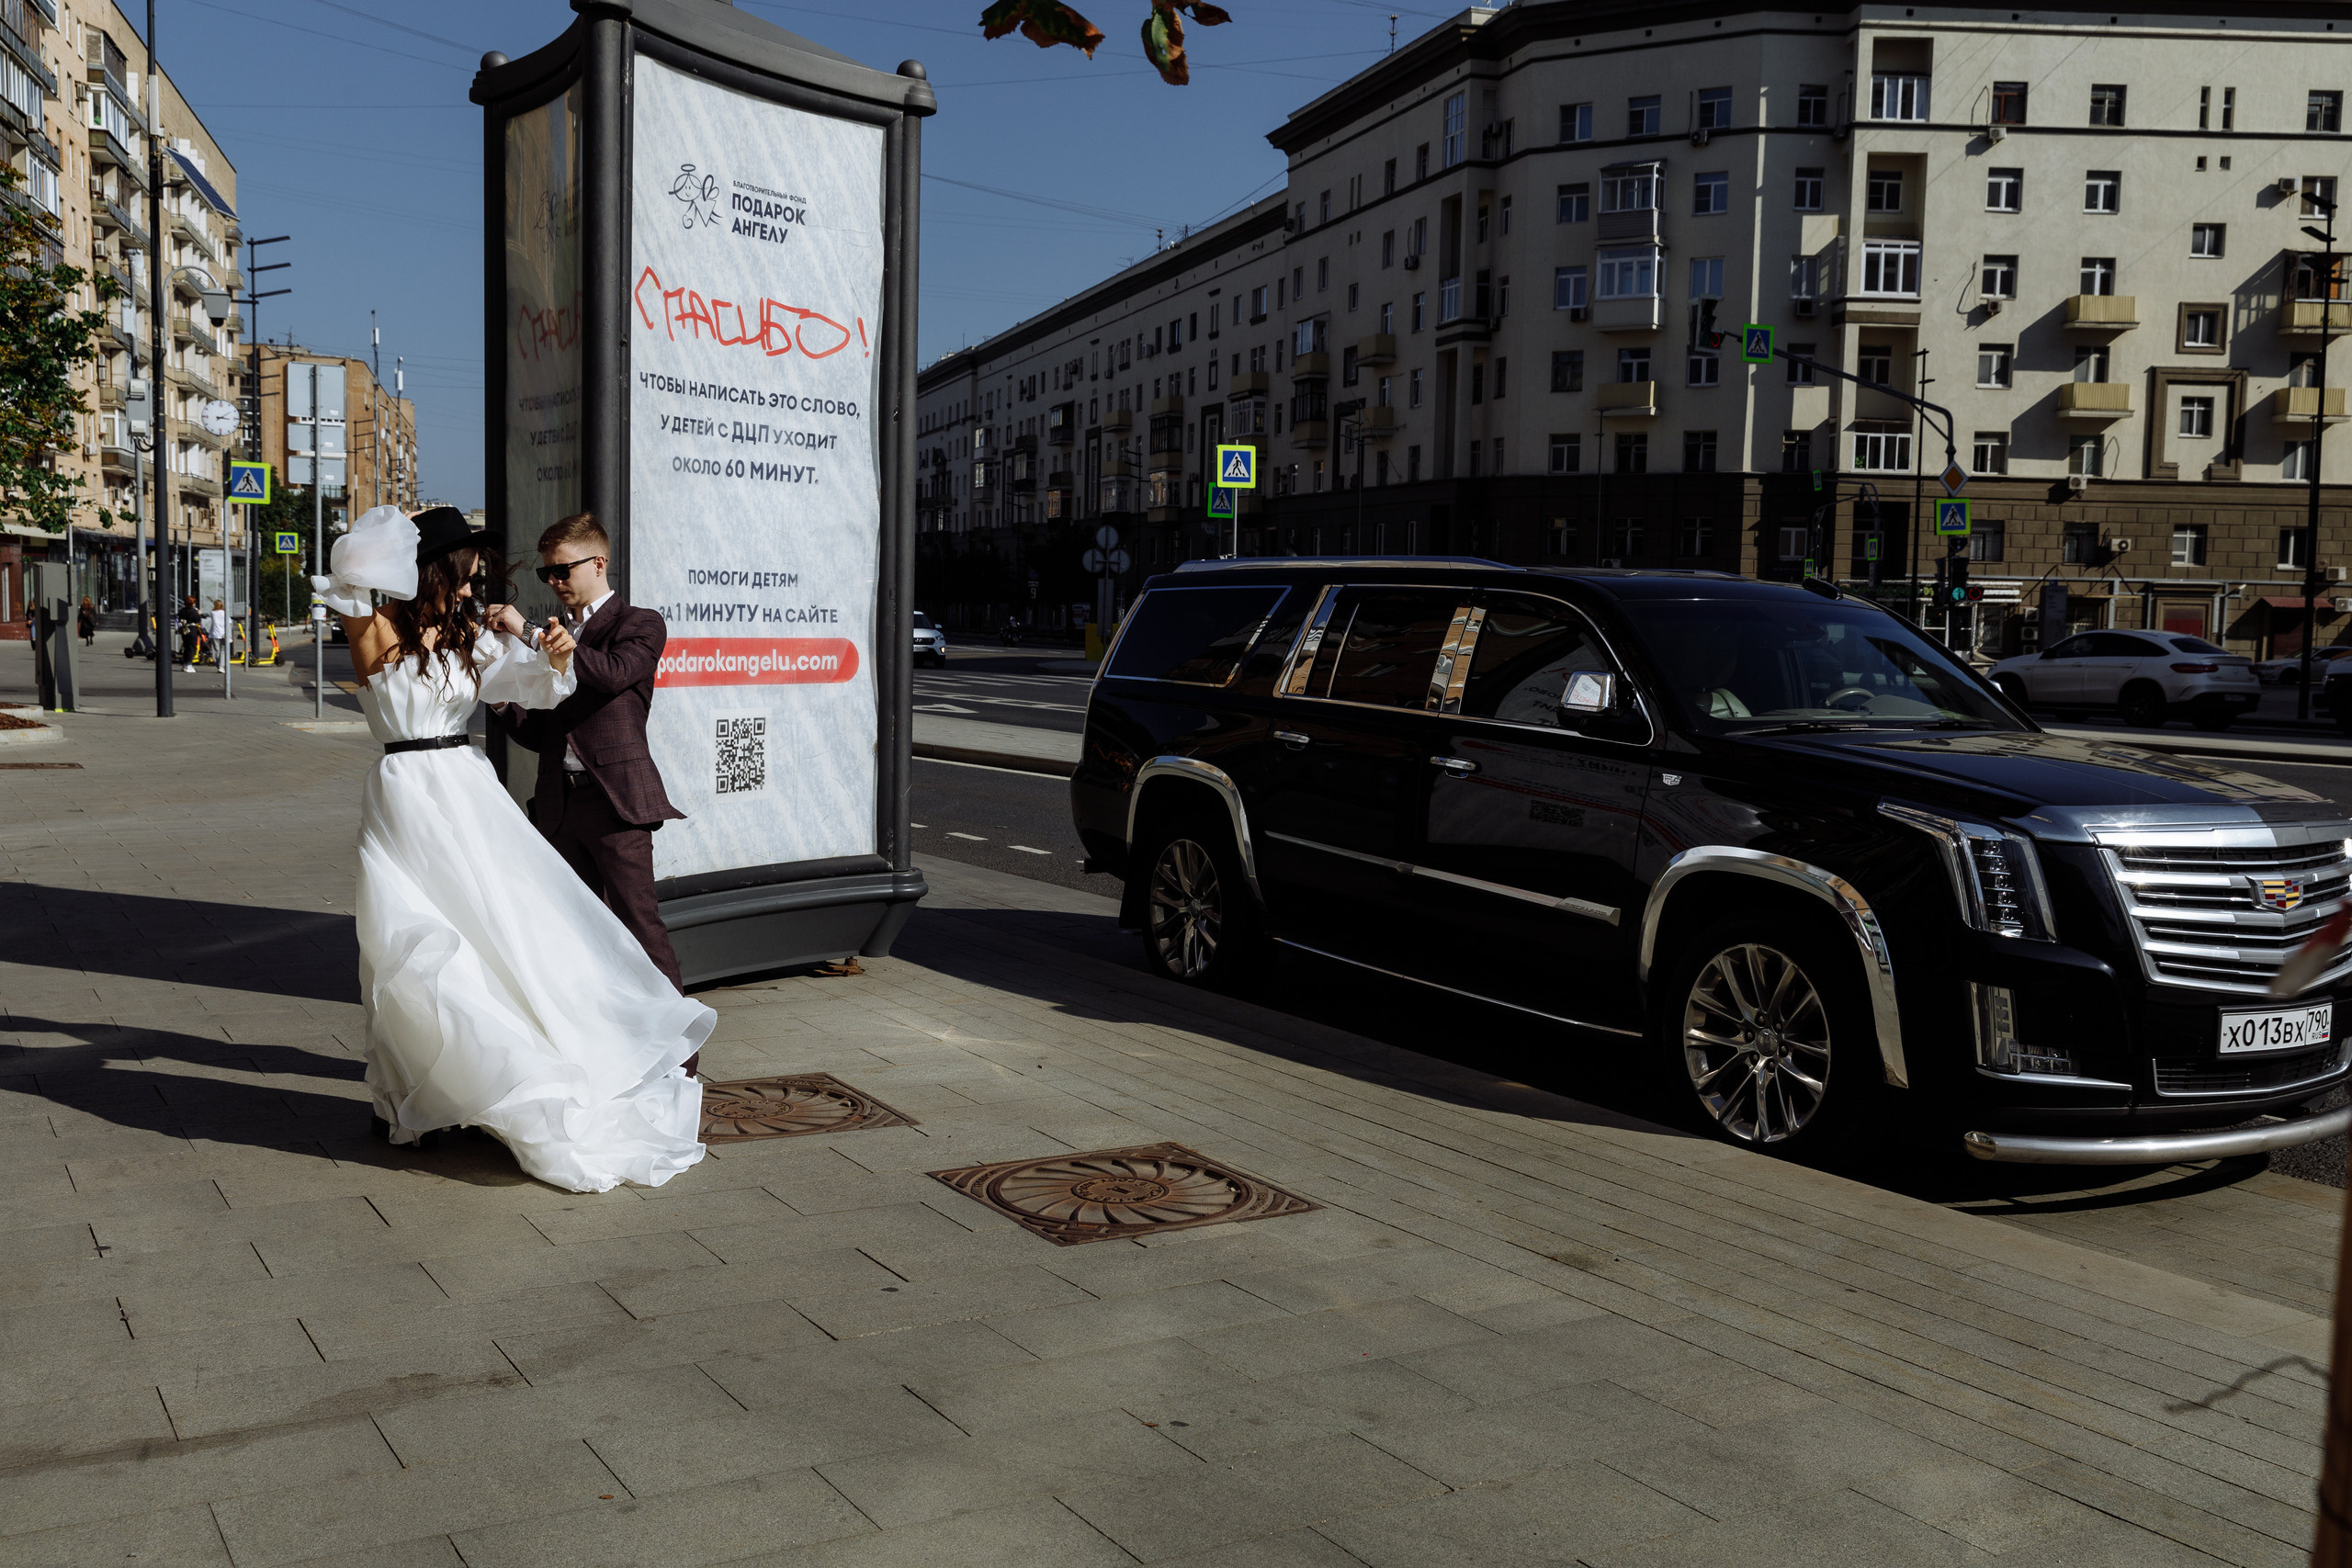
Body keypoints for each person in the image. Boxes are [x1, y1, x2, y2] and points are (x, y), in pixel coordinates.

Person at [313, 504, 711, 1192]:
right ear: (428, 571)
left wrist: (551, 655)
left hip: (466, 794)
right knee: (405, 944)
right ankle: (412, 1097)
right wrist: (401, 532)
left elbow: (541, 688)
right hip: (405, 793)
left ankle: (472, 1084)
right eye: (462, 574)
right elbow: (345, 570)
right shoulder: (373, 625)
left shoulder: (474, 641)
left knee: (488, 938)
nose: (470, 588)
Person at [488, 513, 700, 1071]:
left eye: (563, 569)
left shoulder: (639, 623)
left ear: (598, 563)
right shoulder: (559, 634)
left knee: (639, 924)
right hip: (560, 803)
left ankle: (679, 1059)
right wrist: (498, 699)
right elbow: (543, 732)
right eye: (545, 573)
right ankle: (597, 1048)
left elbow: (611, 675)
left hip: (615, 803)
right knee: (574, 934)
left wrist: (535, 637)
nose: (554, 581)